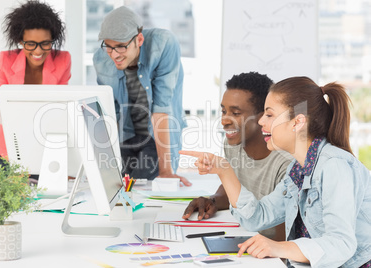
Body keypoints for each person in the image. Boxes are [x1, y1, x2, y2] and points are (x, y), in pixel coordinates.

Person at [180, 76, 371, 268]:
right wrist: (223, 170)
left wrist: (279, 247)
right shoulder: (297, 170)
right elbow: (258, 217)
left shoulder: (334, 166)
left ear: (297, 122)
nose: (261, 121)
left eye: (269, 115)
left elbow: (341, 245)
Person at [182, 72, 291, 241]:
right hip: (243, 236)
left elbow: (284, 234)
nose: (224, 121)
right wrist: (213, 201)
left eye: (236, 113)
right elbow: (236, 188)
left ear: (263, 116)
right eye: (224, 111)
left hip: (268, 250)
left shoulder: (286, 162)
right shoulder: (233, 145)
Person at [93, 6, 189, 185]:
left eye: (121, 46)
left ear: (139, 39)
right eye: (109, 46)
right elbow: (109, 114)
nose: (114, 55)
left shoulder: (163, 44)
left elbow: (161, 109)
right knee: (115, 186)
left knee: (144, 185)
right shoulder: (100, 58)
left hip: (157, 136)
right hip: (126, 135)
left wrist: (166, 171)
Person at [0, 0, 71, 169]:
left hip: (45, 145)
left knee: (45, 194)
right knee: (13, 194)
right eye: (31, 44)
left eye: (45, 43)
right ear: (20, 41)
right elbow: (0, 113)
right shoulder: (4, 60)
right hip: (7, 145)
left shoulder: (63, 60)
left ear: (53, 40)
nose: (38, 51)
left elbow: (61, 108)